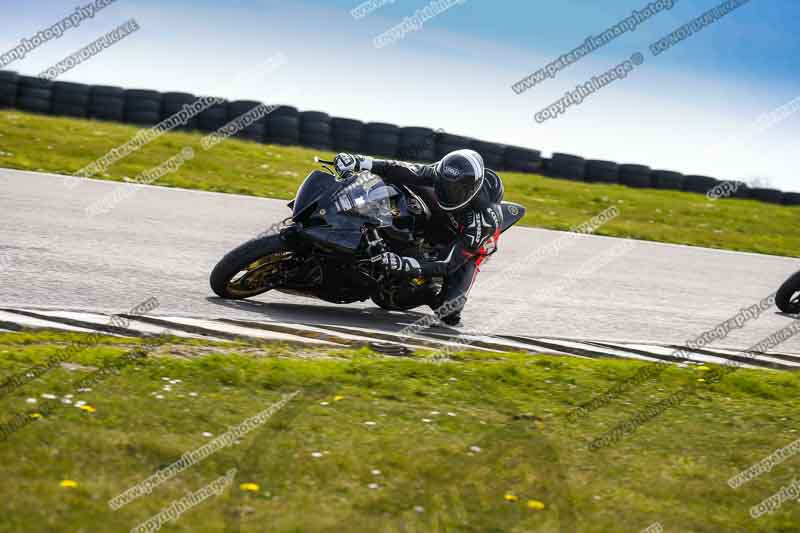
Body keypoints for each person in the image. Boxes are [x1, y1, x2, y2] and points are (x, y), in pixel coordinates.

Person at [333, 149, 504, 326]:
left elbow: (448, 263)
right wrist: (360, 161)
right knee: (402, 180)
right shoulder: (438, 174)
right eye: (444, 185)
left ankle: (428, 290)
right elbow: (401, 168)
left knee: (449, 313)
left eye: (455, 190)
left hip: (468, 247)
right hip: (444, 216)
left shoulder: (484, 220)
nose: (447, 192)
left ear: (471, 190)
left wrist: (406, 264)